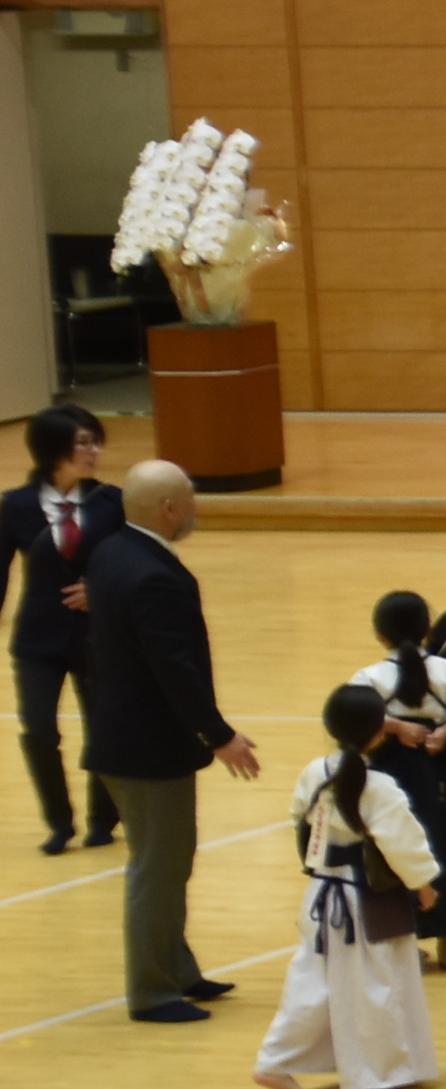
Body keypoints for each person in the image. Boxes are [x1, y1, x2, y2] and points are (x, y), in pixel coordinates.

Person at [81, 461, 254, 1025]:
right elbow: (174, 669)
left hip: (123, 738)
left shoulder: (112, 552)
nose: (196, 508)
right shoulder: (154, 575)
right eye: (190, 499)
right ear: (169, 509)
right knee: (157, 870)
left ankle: (177, 969)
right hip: (146, 750)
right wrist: (219, 735)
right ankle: (152, 991)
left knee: (168, 864)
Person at [248, 685, 444, 1089]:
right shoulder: (379, 786)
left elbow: (299, 818)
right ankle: (380, 1072)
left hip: (321, 893)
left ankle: (274, 1061)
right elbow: (402, 844)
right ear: (378, 733)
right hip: (365, 897)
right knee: (376, 983)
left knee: (312, 983)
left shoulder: (314, 772)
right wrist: (423, 886)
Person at [7, 408, 118, 856]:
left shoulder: (112, 503)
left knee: (103, 727)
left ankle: (103, 818)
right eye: (84, 442)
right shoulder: (15, 506)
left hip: (98, 635)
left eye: (95, 442)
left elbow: (137, 563)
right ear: (54, 449)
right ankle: (58, 822)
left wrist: (101, 588)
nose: (94, 451)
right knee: (37, 729)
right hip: (38, 639)